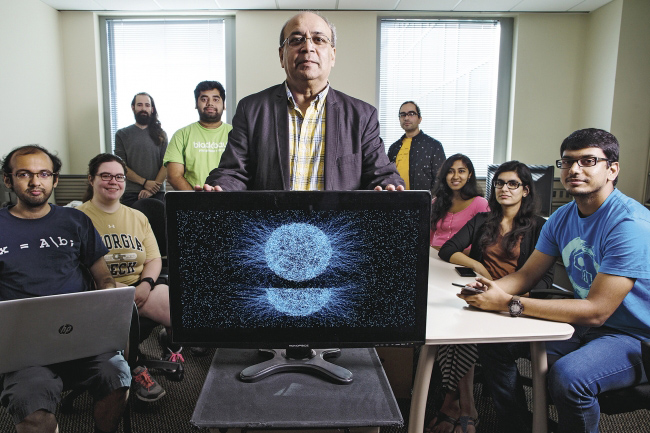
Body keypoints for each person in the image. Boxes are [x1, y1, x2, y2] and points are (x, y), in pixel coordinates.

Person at [460, 128, 650, 433]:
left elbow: (598, 310)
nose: (574, 169)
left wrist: (509, 303)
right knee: (494, 344)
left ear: (612, 169)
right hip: (586, 325)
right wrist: (491, 289)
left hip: (634, 337)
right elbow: (526, 275)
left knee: (569, 377)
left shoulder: (630, 224)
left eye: (588, 161)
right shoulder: (563, 217)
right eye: (568, 162)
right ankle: (519, 426)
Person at [0, 145, 130, 433]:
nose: (36, 182)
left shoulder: (75, 221)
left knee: (117, 375)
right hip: (23, 346)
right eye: (24, 174)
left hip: (82, 335)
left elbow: (103, 277)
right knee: (29, 404)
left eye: (44, 173)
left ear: (55, 179)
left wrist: (109, 300)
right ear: (8, 180)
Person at [202, 11, 403, 192]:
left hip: (335, 232)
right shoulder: (252, 109)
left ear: (332, 55)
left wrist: (389, 187)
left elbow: (380, 174)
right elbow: (233, 172)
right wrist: (219, 188)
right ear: (282, 56)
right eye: (296, 40)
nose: (308, 47)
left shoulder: (362, 115)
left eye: (319, 39)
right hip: (272, 230)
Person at [431, 161, 553, 433]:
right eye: (499, 183)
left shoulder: (538, 227)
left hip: (514, 306)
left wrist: (503, 295)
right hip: (483, 299)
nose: (504, 189)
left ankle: (458, 405)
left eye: (513, 184)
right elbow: (448, 249)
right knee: (449, 327)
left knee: (464, 338)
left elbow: (545, 281)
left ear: (526, 191)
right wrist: (480, 267)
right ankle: (462, 405)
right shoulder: (483, 220)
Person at [77, 153, 182, 403]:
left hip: (140, 288)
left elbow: (154, 259)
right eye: (106, 176)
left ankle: (171, 345)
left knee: (181, 308)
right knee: (119, 342)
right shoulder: (77, 219)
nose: (113, 181)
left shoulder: (137, 216)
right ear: (91, 179)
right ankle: (134, 370)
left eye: (119, 176)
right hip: (102, 295)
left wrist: (146, 285)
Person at [163, 81, 233, 190]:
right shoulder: (181, 135)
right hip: (192, 202)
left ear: (223, 105)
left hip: (230, 201)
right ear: (196, 103)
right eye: (204, 99)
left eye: (216, 99)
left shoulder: (236, 134)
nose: (210, 103)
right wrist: (196, 200)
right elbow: (174, 176)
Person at [114, 92, 168, 206]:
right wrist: (144, 182)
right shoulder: (122, 134)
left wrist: (151, 189)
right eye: (139, 105)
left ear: (152, 109)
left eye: (147, 105)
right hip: (130, 193)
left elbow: (166, 164)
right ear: (133, 108)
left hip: (157, 193)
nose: (143, 108)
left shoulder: (161, 134)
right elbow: (121, 165)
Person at [430, 154, 488, 249]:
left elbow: (484, 242)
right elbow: (429, 236)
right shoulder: (436, 202)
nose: (455, 176)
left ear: (469, 174)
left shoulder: (480, 204)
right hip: (434, 256)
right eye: (450, 172)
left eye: (461, 171)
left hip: (464, 259)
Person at [387, 101, 446, 191]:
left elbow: (440, 180)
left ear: (420, 118)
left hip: (424, 201)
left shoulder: (433, 146)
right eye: (402, 114)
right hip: (396, 200)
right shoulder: (394, 148)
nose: (406, 118)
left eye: (411, 114)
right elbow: (388, 177)